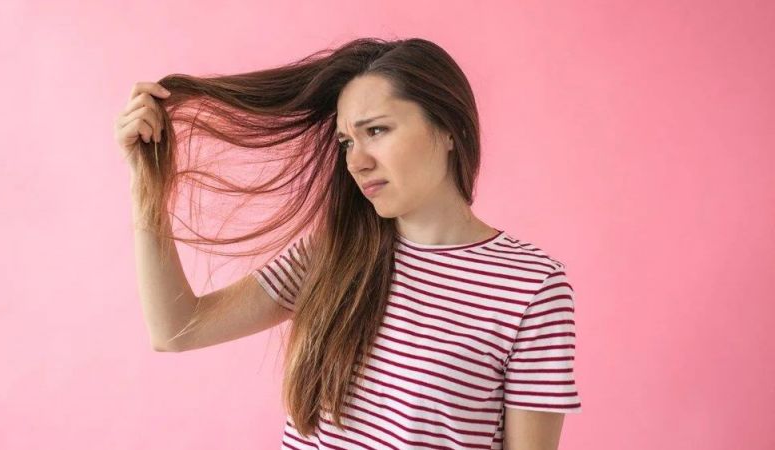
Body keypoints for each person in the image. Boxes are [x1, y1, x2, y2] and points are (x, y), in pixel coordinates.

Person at [114, 37, 582, 450]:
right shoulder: (331, 255)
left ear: (448, 128)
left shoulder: (531, 286)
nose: (356, 161)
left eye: (376, 131)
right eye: (345, 141)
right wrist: (147, 184)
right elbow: (177, 329)